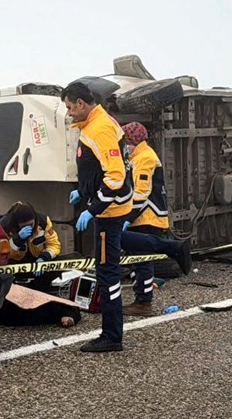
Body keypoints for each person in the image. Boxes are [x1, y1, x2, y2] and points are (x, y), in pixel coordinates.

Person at [62, 80, 133, 353]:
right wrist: (83, 192)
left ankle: (111, 336)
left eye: (70, 107)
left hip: (109, 213)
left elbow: (115, 176)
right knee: (109, 266)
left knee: (107, 275)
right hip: (109, 208)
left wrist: (93, 209)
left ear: (81, 103)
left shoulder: (100, 128)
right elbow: (98, 169)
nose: (69, 113)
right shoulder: (96, 123)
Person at [119, 122, 193, 317]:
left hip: (147, 216)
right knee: (138, 260)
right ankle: (141, 298)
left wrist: (127, 217)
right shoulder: (138, 156)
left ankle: (143, 302)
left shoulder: (144, 158)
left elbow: (141, 193)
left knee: (142, 260)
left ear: (132, 140)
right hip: (144, 216)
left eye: (126, 142)